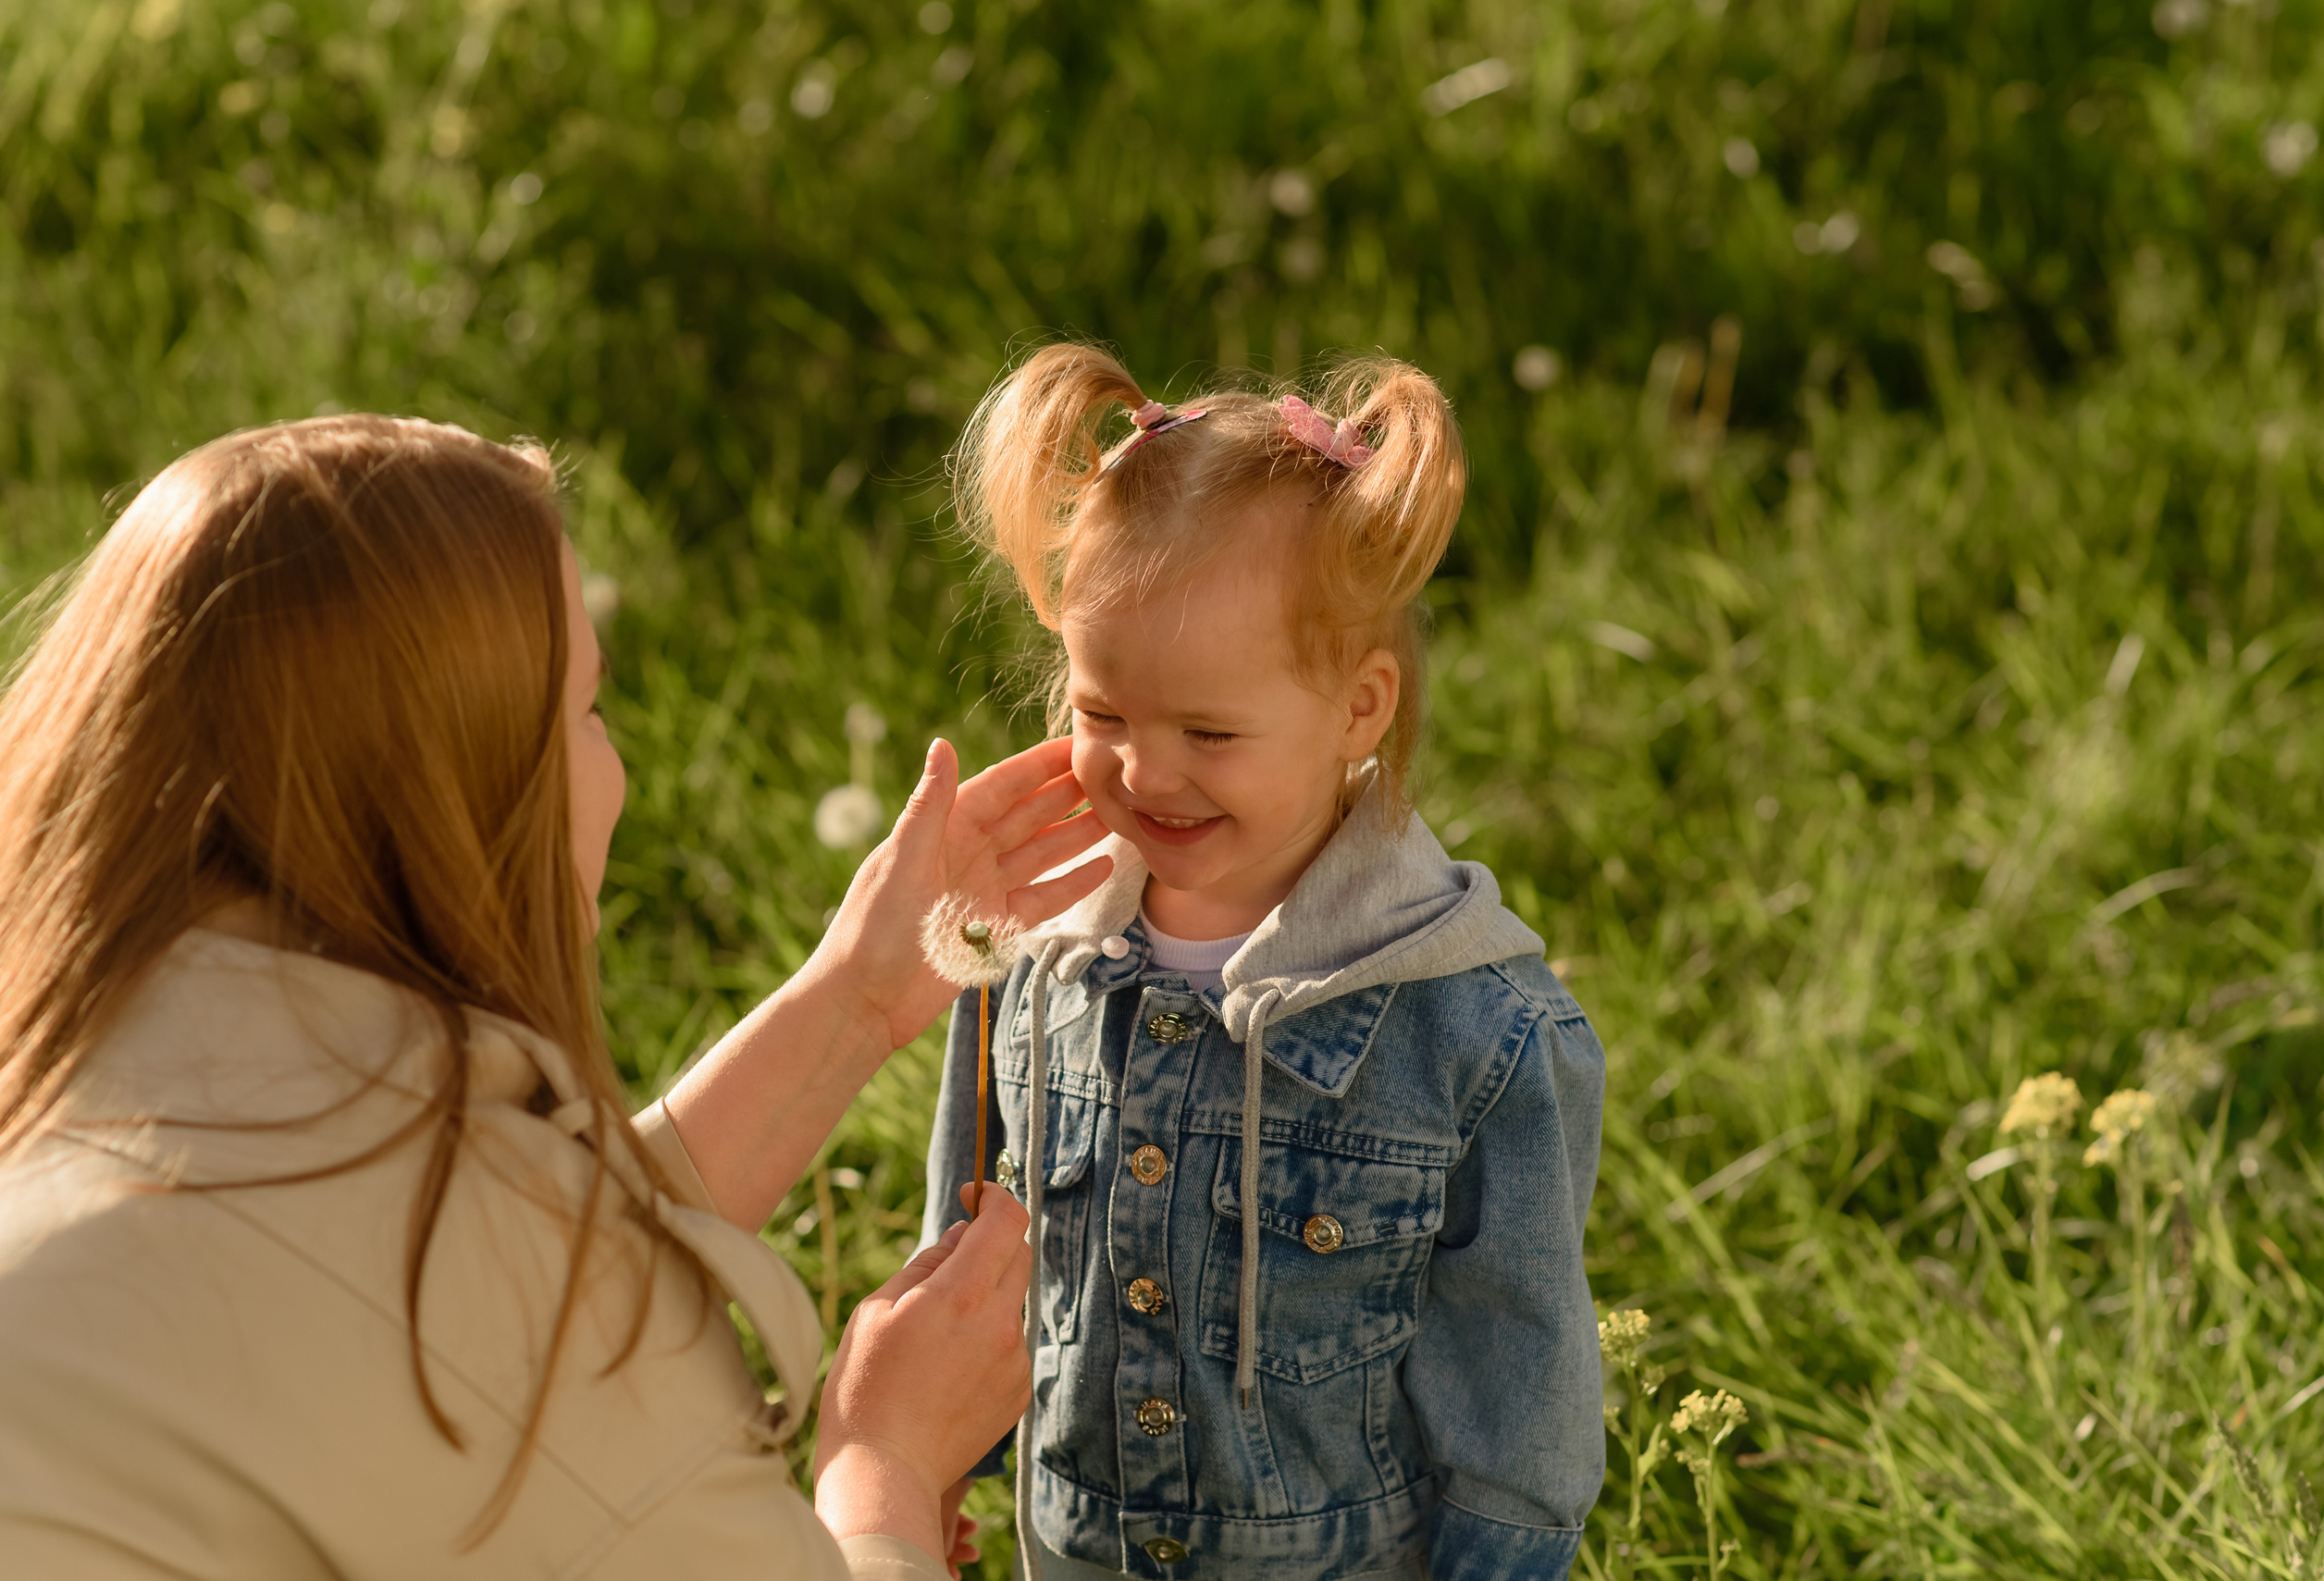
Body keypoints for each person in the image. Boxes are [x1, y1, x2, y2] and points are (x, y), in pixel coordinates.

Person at [0, 414, 1117, 1578]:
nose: (611, 764)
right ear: (469, 793)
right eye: (587, 710)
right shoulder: (515, 1352)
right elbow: (506, 1308)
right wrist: (887, 1461)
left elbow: (476, 1258)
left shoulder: (79, 1061)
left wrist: (856, 1001)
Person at [921, 346, 1607, 1580]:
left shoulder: (1469, 1027)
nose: (1146, 771)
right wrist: (930, 1462)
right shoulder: (1034, 955)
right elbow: (970, 1241)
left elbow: (1521, 1374)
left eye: (1211, 731)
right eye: (1101, 714)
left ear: (1360, 707)